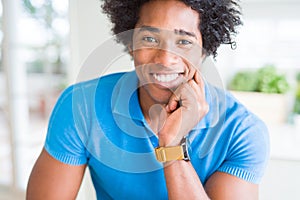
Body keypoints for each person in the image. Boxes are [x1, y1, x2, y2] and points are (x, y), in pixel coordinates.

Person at [26, 0, 269, 199]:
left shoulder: (242, 131)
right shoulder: (80, 106)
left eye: (184, 41)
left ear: (205, 50)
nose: (165, 59)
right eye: (150, 39)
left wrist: (172, 147)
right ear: (131, 44)